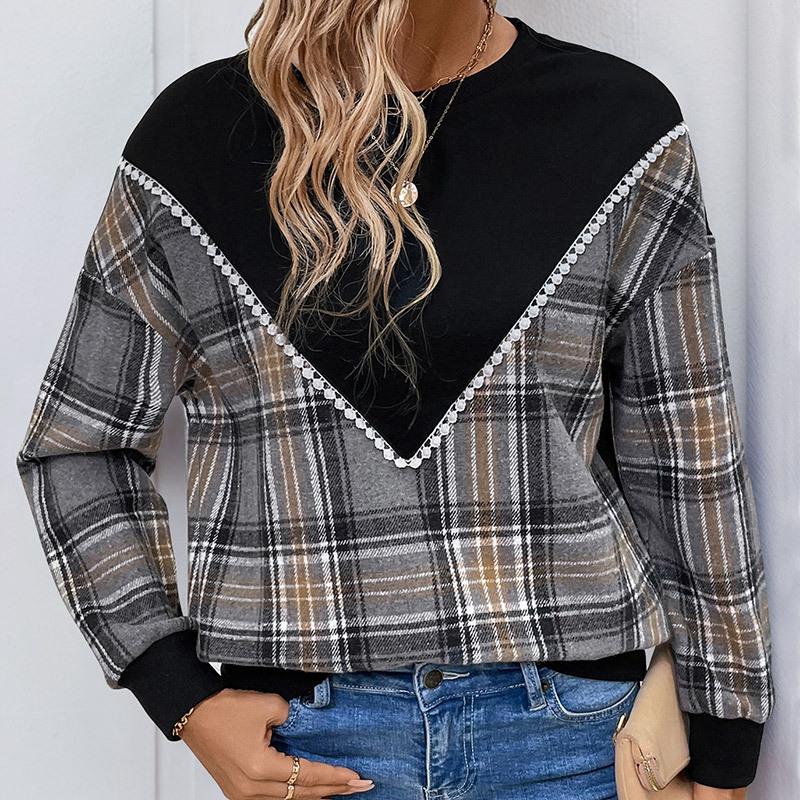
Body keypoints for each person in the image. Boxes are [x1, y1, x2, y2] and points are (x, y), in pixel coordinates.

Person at [15, 1, 774, 799]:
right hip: (308, 743)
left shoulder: (618, 127)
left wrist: (726, 738)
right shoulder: (195, 143)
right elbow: (76, 445)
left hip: (576, 740)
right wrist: (178, 693)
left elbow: (687, 452)